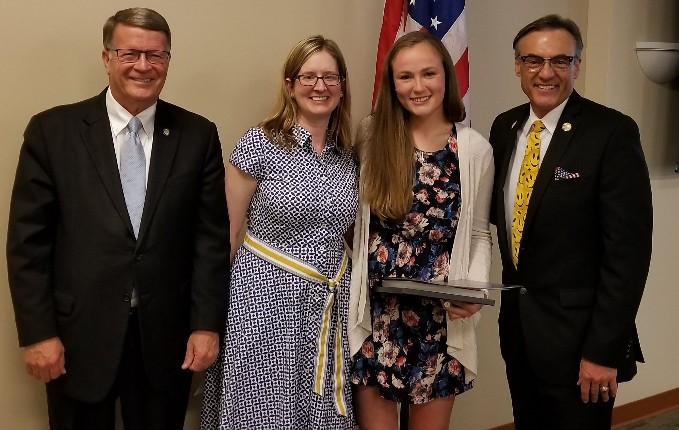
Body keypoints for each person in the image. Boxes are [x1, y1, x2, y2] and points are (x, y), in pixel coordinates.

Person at [5, 7, 230, 430]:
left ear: (167, 61)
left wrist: (205, 325)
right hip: (76, 340)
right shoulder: (53, 132)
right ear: (106, 58)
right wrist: (37, 333)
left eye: (156, 55)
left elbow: (210, 241)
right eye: (129, 53)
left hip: (166, 341)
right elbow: (28, 245)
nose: (143, 66)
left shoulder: (198, 135)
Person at [489, 14, 653, 429]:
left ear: (577, 65)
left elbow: (627, 255)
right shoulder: (505, 128)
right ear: (517, 66)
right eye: (533, 60)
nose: (546, 73)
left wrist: (603, 350)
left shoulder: (611, 132)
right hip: (520, 336)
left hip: (581, 345)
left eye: (561, 61)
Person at [200, 35, 358, 429]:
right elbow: (227, 236)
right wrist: (208, 317)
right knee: (261, 415)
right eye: (308, 76)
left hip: (327, 303)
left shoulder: (348, 155)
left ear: (342, 85)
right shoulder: (259, 144)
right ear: (289, 84)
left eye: (329, 77)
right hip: (262, 304)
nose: (319, 87)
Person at [348, 31, 494, 430]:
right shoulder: (371, 134)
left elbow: (479, 233)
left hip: (440, 322)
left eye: (428, 73)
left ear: (446, 76)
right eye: (405, 76)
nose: (417, 86)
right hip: (375, 316)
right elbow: (353, 223)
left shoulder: (474, 148)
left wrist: (475, 291)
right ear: (391, 84)